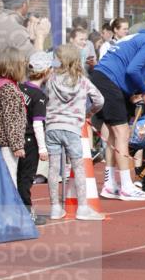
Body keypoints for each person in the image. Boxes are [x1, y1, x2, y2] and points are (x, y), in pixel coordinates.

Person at [91, 26, 145, 201]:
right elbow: (132, 70)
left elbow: (126, 66)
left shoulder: (140, 37)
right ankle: (127, 187)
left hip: (103, 77)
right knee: (122, 133)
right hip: (109, 80)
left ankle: (110, 184)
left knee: (113, 133)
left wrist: (131, 93)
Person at [45, 44, 106, 221]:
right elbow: (99, 100)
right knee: (78, 167)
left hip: (52, 126)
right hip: (72, 127)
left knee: (53, 168)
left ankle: (55, 207)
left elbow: (45, 95)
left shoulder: (51, 79)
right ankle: (83, 208)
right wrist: (89, 113)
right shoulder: (83, 81)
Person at [19, 51, 55, 225]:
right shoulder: (39, 96)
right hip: (29, 140)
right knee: (26, 178)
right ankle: (26, 214)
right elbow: (37, 124)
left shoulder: (20, 88)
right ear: (46, 71)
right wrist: (42, 148)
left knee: (16, 176)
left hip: (16, 138)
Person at [0, 48, 28, 186]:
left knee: (5, 176)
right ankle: (11, 200)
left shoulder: (3, 86)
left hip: (4, 141)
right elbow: (10, 120)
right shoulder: (9, 90)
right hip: (8, 143)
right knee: (10, 177)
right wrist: (17, 146)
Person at [0, 0, 50, 65]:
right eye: (28, 0)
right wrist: (40, 36)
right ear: (24, 5)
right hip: (14, 73)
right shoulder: (17, 30)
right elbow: (38, 66)